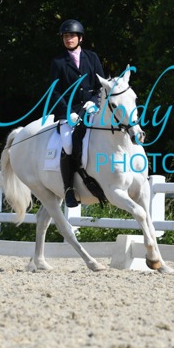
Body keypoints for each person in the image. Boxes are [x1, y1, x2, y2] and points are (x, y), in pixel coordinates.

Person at [49, 19, 105, 207]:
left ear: (80, 38)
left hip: (91, 110)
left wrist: (94, 102)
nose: (68, 39)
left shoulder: (92, 58)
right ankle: (68, 189)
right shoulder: (58, 62)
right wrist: (67, 112)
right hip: (69, 113)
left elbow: (101, 86)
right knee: (68, 144)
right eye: (65, 36)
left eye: (72, 35)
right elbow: (54, 92)